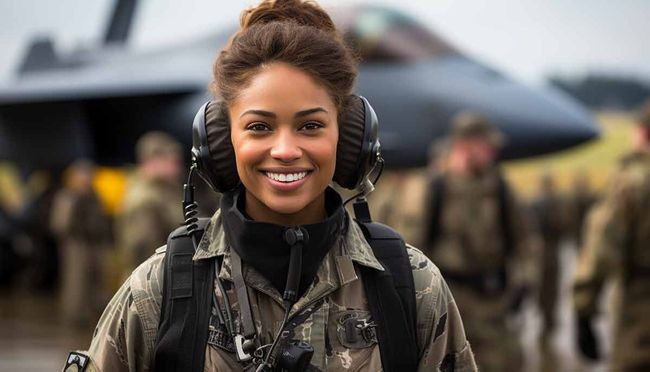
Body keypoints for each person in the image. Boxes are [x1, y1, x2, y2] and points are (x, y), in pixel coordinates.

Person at [63, 1, 477, 371]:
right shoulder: (162, 290)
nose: (284, 150)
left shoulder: (412, 286)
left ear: (349, 137)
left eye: (311, 125)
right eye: (259, 127)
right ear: (222, 142)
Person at [423, 112, 535, 372]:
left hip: (493, 301)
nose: (492, 153)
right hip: (450, 302)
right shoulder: (435, 188)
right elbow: (414, 247)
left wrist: (525, 281)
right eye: (486, 146)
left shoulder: (500, 188)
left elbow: (526, 241)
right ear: (465, 146)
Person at [573, 99, 650, 371]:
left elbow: (602, 247)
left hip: (640, 310)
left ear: (641, 132)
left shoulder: (633, 181)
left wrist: (583, 309)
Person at [50, 160, 112, 325]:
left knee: (98, 278)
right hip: (76, 242)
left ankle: (94, 312)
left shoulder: (94, 195)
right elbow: (60, 223)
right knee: (76, 280)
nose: (86, 178)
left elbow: (101, 218)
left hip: (96, 241)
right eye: (82, 175)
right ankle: (75, 315)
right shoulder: (68, 196)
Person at [115, 131, 183, 276]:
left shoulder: (164, 191)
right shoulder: (143, 198)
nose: (176, 164)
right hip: (153, 283)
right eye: (170, 158)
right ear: (152, 161)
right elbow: (144, 254)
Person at [529, 172, 568, 345]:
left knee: (544, 286)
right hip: (550, 251)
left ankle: (546, 316)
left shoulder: (535, 203)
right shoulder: (557, 203)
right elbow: (564, 226)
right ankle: (548, 317)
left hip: (542, 251)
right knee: (549, 287)